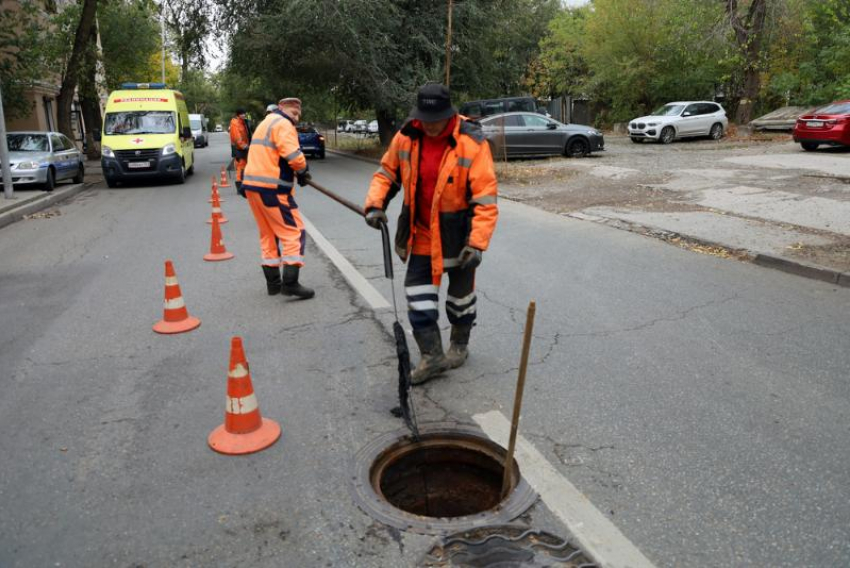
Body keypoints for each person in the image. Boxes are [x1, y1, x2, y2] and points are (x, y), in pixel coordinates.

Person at [364, 83, 498, 384]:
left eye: (436, 119)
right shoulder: (408, 136)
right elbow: (387, 173)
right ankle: (432, 356)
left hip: (459, 235)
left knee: (460, 300)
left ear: (449, 113)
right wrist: (375, 205)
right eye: (426, 119)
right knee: (418, 294)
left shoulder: (472, 141)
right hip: (422, 232)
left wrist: (477, 243)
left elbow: (486, 198)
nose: (431, 125)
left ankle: (459, 345)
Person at [240, 97, 314, 299]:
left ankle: (273, 284)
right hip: (273, 189)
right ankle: (290, 283)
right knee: (295, 233)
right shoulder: (284, 124)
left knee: (268, 234)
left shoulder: (265, 123)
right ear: (282, 109)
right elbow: (292, 154)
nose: (296, 118)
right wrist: (303, 170)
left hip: (253, 187)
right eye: (293, 113)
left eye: (298, 114)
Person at [229, 108, 251, 190]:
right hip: (239, 149)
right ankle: (239, 185)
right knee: (240, 167)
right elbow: (237, 138)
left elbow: (248, 134)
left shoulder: (244, 122)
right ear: (238, 115)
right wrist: (244, 146)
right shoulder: (235, 123)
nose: (244, 115)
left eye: (244, 113)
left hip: (244, 148)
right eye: (242, 114)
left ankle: (244, 184)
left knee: (245, 166)